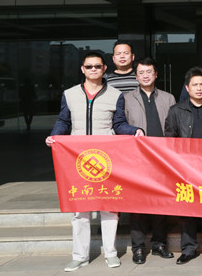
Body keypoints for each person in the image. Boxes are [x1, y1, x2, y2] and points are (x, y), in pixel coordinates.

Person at [45, 51, 142, 272]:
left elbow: (119, 124)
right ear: (82, 69)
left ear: (104, 69)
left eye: (97, 66)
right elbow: (63, 120)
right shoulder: (70, 94)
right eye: (89, 67)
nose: (93, 70)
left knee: (110, 207)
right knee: (79, 209)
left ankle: (111, 253)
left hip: (106, 160)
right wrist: (54, 135)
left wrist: (134, 130)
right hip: (77, 159)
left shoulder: (115, 95)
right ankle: (79, 256)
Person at [165, 67, 202, 265]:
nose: (199, 88)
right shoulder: (176, 111)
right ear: (187, 88)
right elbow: (170, 139)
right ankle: (188, 249)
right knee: (187, 210)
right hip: (186, 168)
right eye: (195, 85)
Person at [123, 58, 176, 264]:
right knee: (137, 206)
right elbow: (120, 125)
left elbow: (172, 127)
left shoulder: (168, 98)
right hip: (137, 160)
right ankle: (138, 248)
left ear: (156, 75)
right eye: (141, 72)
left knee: (160, 204)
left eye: (149, 72)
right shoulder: (126, 99)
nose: (145, 76)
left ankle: (159, 244)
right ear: (136, 76)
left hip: (161, 159)